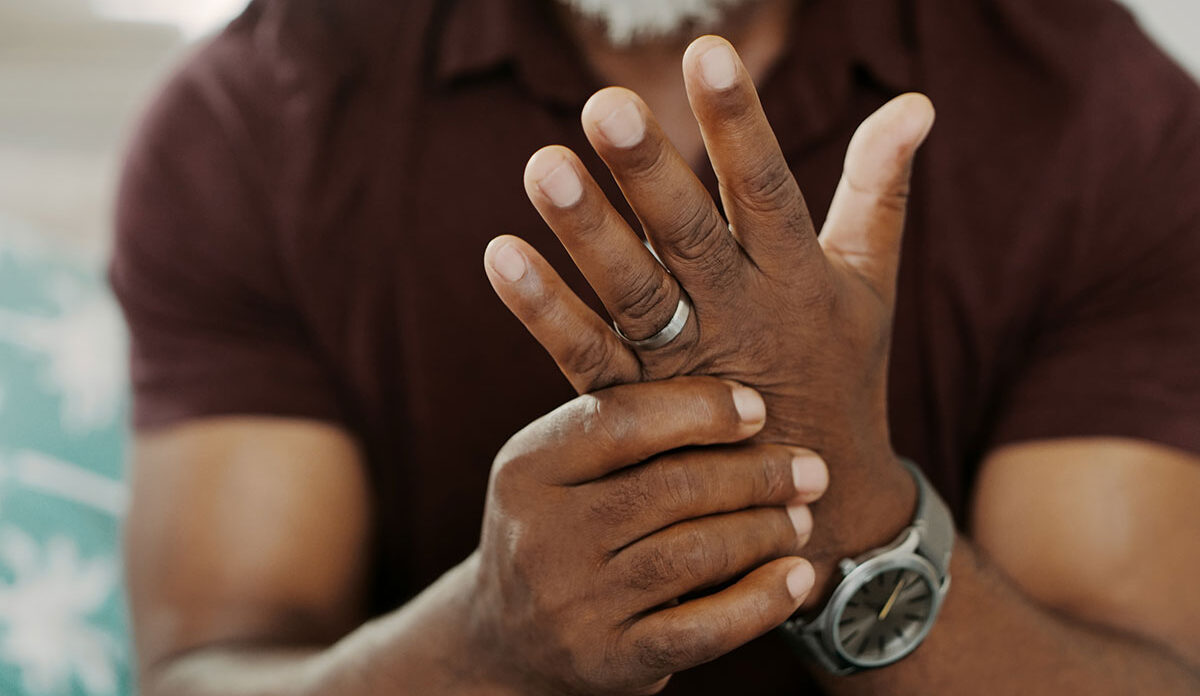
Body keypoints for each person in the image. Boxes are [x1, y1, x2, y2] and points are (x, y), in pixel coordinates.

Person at [110, 0, 1200, 693]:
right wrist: (482, 649)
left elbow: (1141, 670)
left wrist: (861, 531)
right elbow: (209, 667)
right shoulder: (253, 121)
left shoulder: (1103, 113)